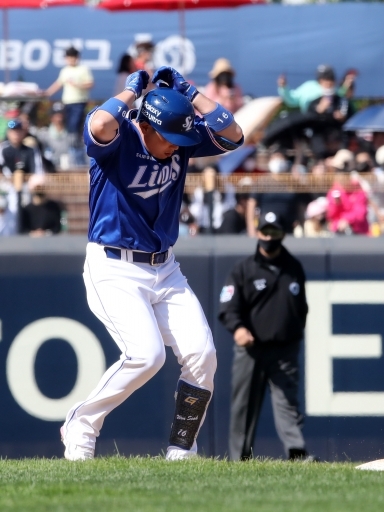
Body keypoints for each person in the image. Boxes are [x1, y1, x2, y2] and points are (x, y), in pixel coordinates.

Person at [59, 66, 244, 461]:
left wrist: (190, 92)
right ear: (148, 126)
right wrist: (131, 91)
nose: (177, 146)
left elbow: (233, 134)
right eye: (170, 138)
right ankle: (82, 423)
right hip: (115, 266)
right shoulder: (122, 136)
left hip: (165, 268)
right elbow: (100, 122)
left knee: (202, 354)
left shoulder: (181, 141)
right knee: (146, 355)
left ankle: (182, 451)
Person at [218, 211, 311, 461]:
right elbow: (228, 306)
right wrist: (238, 328)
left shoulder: (293, 268)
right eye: (265, 231)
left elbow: (301, 307)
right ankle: (240, 457)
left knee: (288, 404)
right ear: (258, 233)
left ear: (283, 234)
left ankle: (297, 453)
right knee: (244, 405)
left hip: (285, 349)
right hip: (252, 349)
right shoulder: (243, 270)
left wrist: (294, 333)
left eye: (275, 232)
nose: (269, 237)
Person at [44, 47, 94, 165]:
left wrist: (77, 84)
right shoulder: (65, 70)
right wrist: (47, 93)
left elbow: (90, 83)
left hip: (78, 102)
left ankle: (77, 153)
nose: (71, 59)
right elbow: (59, 83)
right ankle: (69, 151)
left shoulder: (83, 69)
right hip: (67, 103)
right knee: (67, 127)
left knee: (75, 127)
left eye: (73, 57)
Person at [277, 65, 352, 114]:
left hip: (331, 125)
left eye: (330, 78)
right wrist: (283, 87)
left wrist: (346, 84)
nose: (328, 82)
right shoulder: (309, 86)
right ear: (320, 79)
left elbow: (341, 94)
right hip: (312, 124)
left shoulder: (335, 90)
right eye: (324, 78)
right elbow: (292, 100)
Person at [37, 103, 72, 171]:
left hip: (69, 169)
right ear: (51, 117)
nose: (59, 118)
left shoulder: (72, 134)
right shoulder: (43, 134)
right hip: (49, 169)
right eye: (56, 115)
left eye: (61, 115)